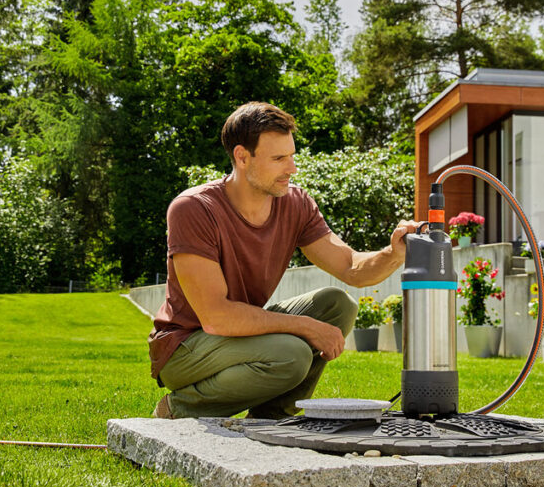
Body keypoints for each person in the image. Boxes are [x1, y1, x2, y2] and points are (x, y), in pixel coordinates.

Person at [149, 102, 418, 420]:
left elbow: (350, 267)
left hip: (237, 336)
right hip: (186, 346)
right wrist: (306, 328)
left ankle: (272, 418)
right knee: (291, 356)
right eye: (278, 158)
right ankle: (176, 411)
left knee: (336, 305)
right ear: (242, 157)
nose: (291, 168)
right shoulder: (193, 209)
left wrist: (394, 253)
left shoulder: (295, 204)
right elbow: (216, 318)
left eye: (291, 155)